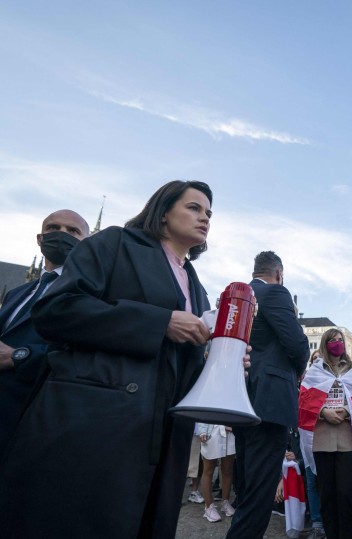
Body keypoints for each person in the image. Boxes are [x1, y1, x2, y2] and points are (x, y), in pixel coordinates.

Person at [0, 181, 227, 538]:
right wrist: (159, 322)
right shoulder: (115, 244)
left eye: (209, 213)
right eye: (194, 208)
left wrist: (221, 362)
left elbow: (178, 362)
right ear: (164, 211)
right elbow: (56, 310)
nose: (205, 218)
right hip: (98, 422)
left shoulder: (196, 285)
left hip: (159, 435)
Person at [228, 251, 310, 539]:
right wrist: (299, 372)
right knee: (260, 494)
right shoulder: (275, 293)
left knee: (248, 487)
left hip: (241, 399)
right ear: (279, 273)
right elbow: (298, 344)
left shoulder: (238, 298)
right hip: (270, 401)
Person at [0, 209, 89, 456]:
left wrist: (19, 355)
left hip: (33, 420)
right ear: (40, 238)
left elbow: (83, 354)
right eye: (53, 228)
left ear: (87, 244)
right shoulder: (17, 293)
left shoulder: (89, 294)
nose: (61, 235)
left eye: (72, 231)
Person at [299, 329, 352, 539]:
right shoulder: (314, 372)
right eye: (332, 340)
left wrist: (346, 410)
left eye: (340, 340)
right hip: (321, 441)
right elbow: (304, 401)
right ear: (325, 344)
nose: (337, 343)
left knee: (348, 493)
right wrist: (322, 412)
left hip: (348, 441)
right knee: (327, 494)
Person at [198, 423, 236, 522]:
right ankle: (209, 506)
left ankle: (225, 502)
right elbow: (204, 409)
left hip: (230, 432)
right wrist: (202, 431)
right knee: (208, 469)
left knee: (227, 469)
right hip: (211, 430)